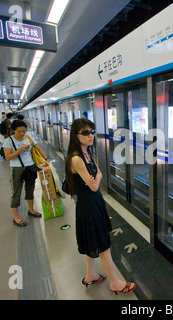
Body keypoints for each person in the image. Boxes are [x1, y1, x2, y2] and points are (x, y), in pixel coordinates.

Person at [64, 118, 136, 294]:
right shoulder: (76, 159)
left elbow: (99, 174)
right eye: (85, 133)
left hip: (93, 203)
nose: (90, 136)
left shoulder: (87, 153)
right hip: (89, 206)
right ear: (76, 135)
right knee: (104, 245)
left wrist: (95, 178)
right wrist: (96, 178)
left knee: (91, 241)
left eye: (92, 132)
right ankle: (115, 283)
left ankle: (90, 275)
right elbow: (96, 184)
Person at [3, 120, 49, 227]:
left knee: (30, 189)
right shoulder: (9, 141)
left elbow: (38, 148)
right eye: (19, 131)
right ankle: (16, 217)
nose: (22, 133)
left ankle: (31, 210)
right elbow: (8, 157)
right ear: (13, 130)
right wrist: (20, 150)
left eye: (24, 131)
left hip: (31, 167)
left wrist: (46, 159)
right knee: (16, 193)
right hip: (17, 168)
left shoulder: (28, 137)